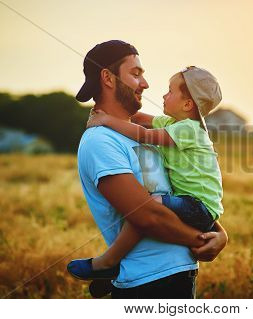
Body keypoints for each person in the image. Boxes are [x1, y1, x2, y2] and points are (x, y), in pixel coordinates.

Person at [69, 40, 227, 299]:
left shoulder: (154, 134)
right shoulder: (101, 141)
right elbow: (147, 217)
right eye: (135, 74)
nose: (146, 84)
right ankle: (106, 265)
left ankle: (106, 266)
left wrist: (220, 234)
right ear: (107, 78)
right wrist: (202, 240)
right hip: (148, 282)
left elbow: (179, 194)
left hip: (179, 273)